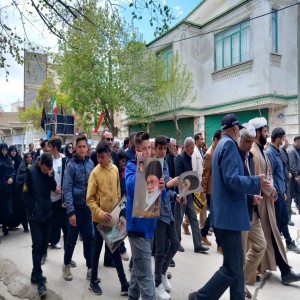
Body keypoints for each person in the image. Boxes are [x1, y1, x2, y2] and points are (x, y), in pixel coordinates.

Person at [189, 113, 269, 300]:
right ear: (235, 129)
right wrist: (255, 181)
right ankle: (200, 297)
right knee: (232, 268)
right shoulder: (229, 146)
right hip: (228, 219)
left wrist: (250, 198)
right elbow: (232, 180)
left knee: (237, 266)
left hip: (227, 216)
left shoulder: (222, 145)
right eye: (239, 129)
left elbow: (227, 185)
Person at [249, 117, 300, 285]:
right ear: (258, 133)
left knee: (270, 238)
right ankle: (283, 272)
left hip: (268, 201)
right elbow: (260, 179)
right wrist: (272, 191)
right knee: (269, 238)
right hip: (262, 204)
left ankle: (281, 271)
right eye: (264, 131)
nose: (267, 134)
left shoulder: (260, 150)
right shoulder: (256, 152)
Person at [86, 140, 129, 296]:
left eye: (102, 156)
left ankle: (124, 284)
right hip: (99, 219)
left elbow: (118, 193)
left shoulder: (115, 170)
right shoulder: (95, 173)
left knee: (115, 250)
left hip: (112, 218)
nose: (100, 160)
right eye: (98, 157)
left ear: (109, 155)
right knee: (96, 250)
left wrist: (119, 212)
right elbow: (89, 199)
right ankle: (93, 281)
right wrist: (99, 213)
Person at [125, 131, 165, 300]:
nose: (148, 152)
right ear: (136, 150)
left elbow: (156, 197)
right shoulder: (131, 166)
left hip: (150, 227)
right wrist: (142, 166)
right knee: (146, 279)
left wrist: (162, 187)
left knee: (137, 275)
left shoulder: (155, 165)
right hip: (137, 228)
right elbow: (132, 187)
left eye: (149, 148)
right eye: (144, 149)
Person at [23, 152, 59, 297]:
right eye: (44, 169)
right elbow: (25, 195)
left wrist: (50, 175)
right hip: (34, 216)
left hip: (47, 213)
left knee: (44, 245)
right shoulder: (30, 171)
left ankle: (34, 273)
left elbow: (53, 187)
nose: (45, 172)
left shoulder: (48, 172)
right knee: (37, 244)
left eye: (47, 170)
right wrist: (34, 208)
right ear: (40, 163)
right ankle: (40, 280)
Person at [238, 123, 267, 296]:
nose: (250, 145)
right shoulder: (236, 156)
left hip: (253, 210)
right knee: (240, 254)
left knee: (260, 246)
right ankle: (239, 285)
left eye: (252, 141)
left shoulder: (250, 155)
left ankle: (241, 279)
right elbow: (235, 185)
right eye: (247, 141)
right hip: (242, 210)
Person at [62, 135, 94, 281]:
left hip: (87, 209)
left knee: (88, 239)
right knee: (71, 240)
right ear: (75, 148)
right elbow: (67, 189)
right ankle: (66, 265)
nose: (82, 149)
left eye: (84, 146)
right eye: (79, 146)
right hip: (75, 208)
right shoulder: (71, 165)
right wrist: (71, 212)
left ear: (87, 147)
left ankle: (89, 267)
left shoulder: (91, 163)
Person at [153, 135, 180, 300]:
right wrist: (169, 185)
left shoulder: (166, 163)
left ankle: (162, 273)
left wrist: (174, 195)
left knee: (175, 243)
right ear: (155, 148)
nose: (163, 151)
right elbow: (152, 190)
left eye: (165, 148)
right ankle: (156, 284)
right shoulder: (152, 164)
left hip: (168, 210)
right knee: (160, 251)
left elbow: (166, 188)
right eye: (160, 148)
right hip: (157, 213)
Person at [265, 128, 300, 253]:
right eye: (284, 137)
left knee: (284, 219)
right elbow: (271, 175)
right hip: (277, 194)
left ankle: (288, 242)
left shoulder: (278, 151)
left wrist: (284, 192)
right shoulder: (270, 153)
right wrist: (278, 192)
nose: (286, 140)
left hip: (282, 192)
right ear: (278, 139)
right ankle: (276, 249)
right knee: (278, 223)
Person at [174, 137, 209, 253]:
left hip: (189, 194)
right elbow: (178, 176)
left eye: (193, 148)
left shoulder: (189, 157)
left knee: (194, 218)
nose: (192, 150)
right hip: (181, 194)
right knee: (178, 220)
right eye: (190, 148)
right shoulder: (179, 158)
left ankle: (198, 244)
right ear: (185, 147)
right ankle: (176, 243)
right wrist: (182, 194)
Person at [200, 130, 222, 250]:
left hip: (216, 189)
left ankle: (203, 233)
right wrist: (203, 192)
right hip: (210, 191)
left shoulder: (217, 151)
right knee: (215, 215)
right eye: (220, 139)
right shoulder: (209, 154)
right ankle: (220, 244)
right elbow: (205, 175)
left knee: (214, 215)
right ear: (215, 140)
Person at [0, 143, 15, 236]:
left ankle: (6, 226)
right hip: (0, 187)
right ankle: (4, 227)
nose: (4, 152)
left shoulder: (9, 159)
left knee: (7, 208)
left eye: (6, 150)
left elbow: (13, 171)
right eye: (3, 150)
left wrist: (12, 178)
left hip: (8, 187)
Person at [16, 152, 33, 232]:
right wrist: (26, 174)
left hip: (31, 192)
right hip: (23, 192)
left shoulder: (32, 166)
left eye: (30, 157)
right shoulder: (22, 167)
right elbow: (18, 179)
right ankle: (25, 226)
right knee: (23, 210)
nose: (29, 159)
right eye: (27, 157)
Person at [280, 137, 293, 225]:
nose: (288, 143)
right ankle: (287, 219)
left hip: (286, 180)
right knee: (286, 199)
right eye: (287, 141)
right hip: (284, 179)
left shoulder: (285, 151)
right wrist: (287, 173)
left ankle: (288, 217)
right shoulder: (281, 152)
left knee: (288, 198)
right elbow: (282, 166)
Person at [288, 135, 300, 215]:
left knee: (297, 193)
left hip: (296, 176)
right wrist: (296, 176)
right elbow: (292, 165)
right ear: (297, 142)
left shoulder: (297, 150)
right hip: (292, 177)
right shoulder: (292, 151)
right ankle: (288, 214)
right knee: (290, 195)